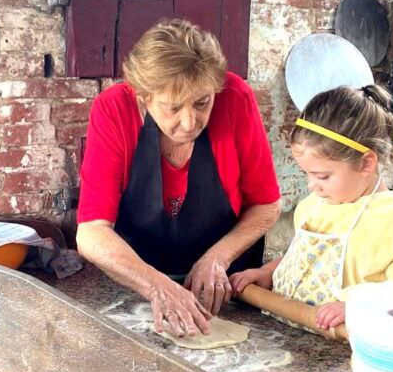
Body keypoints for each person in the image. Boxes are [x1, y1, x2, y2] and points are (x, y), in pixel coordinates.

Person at [76, 19, 281, 338]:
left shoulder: (236, 98)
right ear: (143, 96)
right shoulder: (114, 110)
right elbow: (91, 233)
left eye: (202, 103)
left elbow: (267, 206)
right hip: (138, 291)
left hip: (224, 290)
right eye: (172, 108)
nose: (189, 122)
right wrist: (158, 287)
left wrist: (217, 257)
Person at [229, 84, 393, 329]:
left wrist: (362, 309)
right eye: (307, 174)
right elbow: (306, 262)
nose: (312, 186)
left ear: (366, 163)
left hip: (350, 356)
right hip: (294, 342)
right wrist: (268, 273)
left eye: (323, 176)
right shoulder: (313, 207)